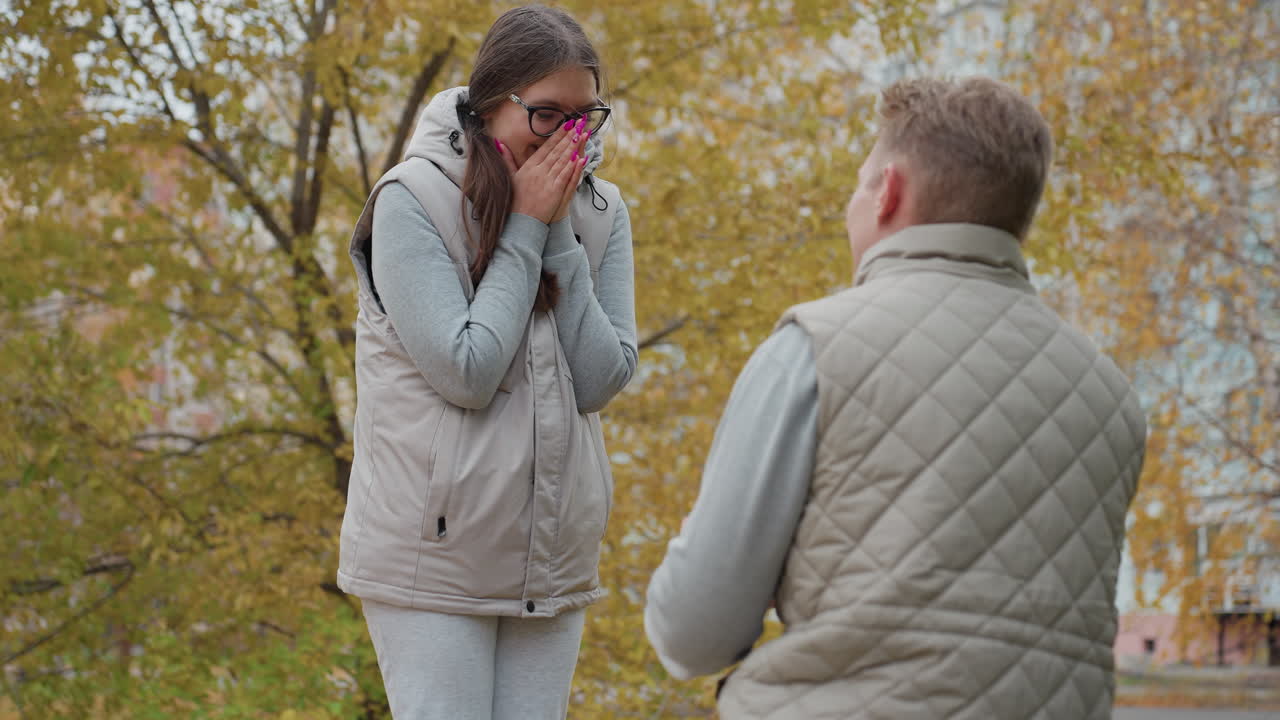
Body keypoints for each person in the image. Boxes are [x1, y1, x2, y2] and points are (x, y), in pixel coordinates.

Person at [644, 77, 1148, 719]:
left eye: (860, 184)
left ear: (888, 192)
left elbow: (695, 631)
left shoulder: (813, 349)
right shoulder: (1110, 396)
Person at [336, 6, 636, 719]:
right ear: (489, 104)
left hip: (548, 557)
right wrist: (526, 226)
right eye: (546, 114)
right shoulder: (413, 200)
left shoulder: (600, 210)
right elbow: (467, 370)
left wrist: (557, 226)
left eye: (585, 116)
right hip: (431, 560)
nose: (569, 137)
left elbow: (601, 379)